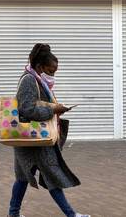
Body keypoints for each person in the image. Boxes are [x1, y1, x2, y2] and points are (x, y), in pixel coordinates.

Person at [8, 43, 89, 217]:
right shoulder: (29, 80)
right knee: (51, 176)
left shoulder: (38, 80)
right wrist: (53, 110)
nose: (53, 75)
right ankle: (71, 215)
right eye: (51, 71)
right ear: (39, 67)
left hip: (32, 139)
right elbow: (26, 109)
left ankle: (13, 213)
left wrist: (57, 108)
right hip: (33, 140)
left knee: (22, 178)